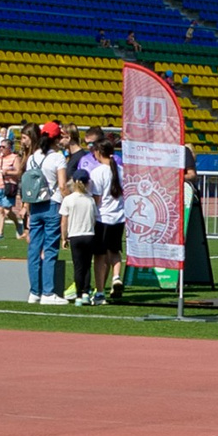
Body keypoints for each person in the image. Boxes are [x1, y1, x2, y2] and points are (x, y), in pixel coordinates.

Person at [19, 122, 66, 303]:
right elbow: (61, 185)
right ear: (56, 138)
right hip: (52, 204)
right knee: (50, 249)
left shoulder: (32, 158)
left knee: (33, 249)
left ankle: (34, 292)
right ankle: (48, 292)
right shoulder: (58, 158)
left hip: (35, 205)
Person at [89, 141, 128, 302]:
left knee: (99, 256)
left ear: (99, 152)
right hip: (119, 217)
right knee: (115, 250)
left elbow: (97, 199)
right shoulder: (121, 171)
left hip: (103, 217)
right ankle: (116, 277)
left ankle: (99, 291)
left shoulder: (97, 172)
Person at [60, 167, 98, 305]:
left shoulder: (69, 199)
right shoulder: (90, 200)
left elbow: (64, 221)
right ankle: (86, 293)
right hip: (88, 234)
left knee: (78, 266)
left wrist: (64, 237)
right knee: (87, 266)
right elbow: (94, 218)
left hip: (75, 235)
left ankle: (78, 296)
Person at [0, 130, 25, 244]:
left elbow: (19, 172)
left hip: (9, 186)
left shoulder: (15, 158)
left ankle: (17, 224)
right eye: (0, 147)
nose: (1, 149)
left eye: (3, 147)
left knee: (7, 211)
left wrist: (7, 173)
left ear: (9, 148)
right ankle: (0, 233)